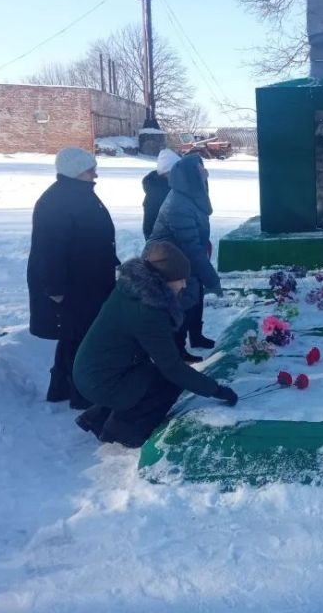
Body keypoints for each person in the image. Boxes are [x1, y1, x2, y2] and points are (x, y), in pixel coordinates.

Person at [72, 241, 238, 448]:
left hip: (96, 371)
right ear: (164, 280)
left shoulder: (132, 290)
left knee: (154, 376)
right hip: (102, 380)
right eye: (180, 280)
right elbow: (172, 368)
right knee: (168, 385)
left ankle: (95, 418)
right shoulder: (148, 311)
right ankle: (122, 431)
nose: (184, 286)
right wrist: (216, 390)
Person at [27, 147, 119, 409]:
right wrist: (54, 287)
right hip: (72, 285)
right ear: (76, 171)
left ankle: (60, 389)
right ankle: (82, 396)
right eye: (90, 169)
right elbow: (49, 248)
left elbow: (92, 234)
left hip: (89, 279)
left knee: (74, 335)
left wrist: (110, 259)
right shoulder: (55, 202)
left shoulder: (80, 193)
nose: (95, 174)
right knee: (80, 338)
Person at [150, 154, 221, 362]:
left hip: (183, 257)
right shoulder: (178, 205)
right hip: (169, 262)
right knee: (179, 303)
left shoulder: (191, 196)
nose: (205, 176)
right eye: (201, 172)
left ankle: (193, 339)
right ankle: (177, 352)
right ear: (190, 177)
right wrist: (212, 279)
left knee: (193, 296)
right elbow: (191, 247)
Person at [142, 148, 181, 240]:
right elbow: (149, 227)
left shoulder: (174, 189)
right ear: (167, 173)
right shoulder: (156, 194)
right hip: (164, 246)